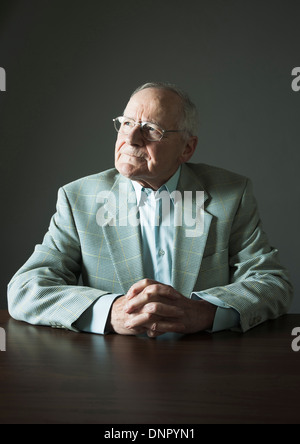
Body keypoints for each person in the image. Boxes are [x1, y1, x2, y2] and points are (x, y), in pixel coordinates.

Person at [7, 82, 293, 337]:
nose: (131, 139)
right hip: (108, 373)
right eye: (127, 123)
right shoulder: (78, 198)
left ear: (187, 149)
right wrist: (110, 311)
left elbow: (272, 283)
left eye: (152, 130)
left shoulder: (231, 195)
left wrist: (205, 313)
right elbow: (26, 289)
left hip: (205, 369)